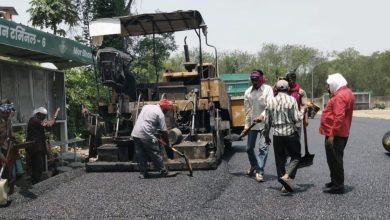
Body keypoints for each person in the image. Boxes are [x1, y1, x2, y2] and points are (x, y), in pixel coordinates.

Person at [263, 80, 305, 193]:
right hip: (290, 133)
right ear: (288, 89)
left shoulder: (270, 101)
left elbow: (267, 122)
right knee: (296, 156)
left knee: (280, 160)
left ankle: (284, 185)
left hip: (277, 135)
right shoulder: (291, 100)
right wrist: (304, 110)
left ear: (276, 89)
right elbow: (296, 118)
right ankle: (287, 176)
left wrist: (266, 136)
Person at [319, 73, 354, 194]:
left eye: (329, 85)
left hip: (336, 134)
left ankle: (338, 186)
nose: (327, 87)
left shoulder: (340, 96)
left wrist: (332, 134)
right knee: (334, 158)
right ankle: (335, 180)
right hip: (341, 132)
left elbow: (339, 116)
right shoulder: (346, 92)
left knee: (335, 159)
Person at [131, 98, 177, 179]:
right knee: (155, 153)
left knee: (141, 154)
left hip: (135, 133)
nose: (166, 112)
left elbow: (148, 121)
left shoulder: (147, 106)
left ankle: (143, 173)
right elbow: (164, 132)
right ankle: (164, 172)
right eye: (166, 110)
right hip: (146, 135)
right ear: (164, 108)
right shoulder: (160, 114)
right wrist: (168, 143)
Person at [241, 70, 274, 182]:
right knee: (249, 148)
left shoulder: (268, 89)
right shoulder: (247, 92)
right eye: (253, 80)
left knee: (263, 148)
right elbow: (247, 111)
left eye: (256, 80)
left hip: (265, 124)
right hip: (252, 125)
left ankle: (259, 171)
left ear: (261, 79)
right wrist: (246, 126)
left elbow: (270, 106)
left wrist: (262, 116)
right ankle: (254, 165)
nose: (254, 83)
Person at [26, 107, 56, 184]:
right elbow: (48, 125)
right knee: (38, 166)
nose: (44, 117)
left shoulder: (36, 120)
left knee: (37, 166)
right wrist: (54, 118)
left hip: (38, 147)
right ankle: (35, 183)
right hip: (35, 148)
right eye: (43, 115)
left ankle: (35, 182)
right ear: (38, 114)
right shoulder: (34, 120)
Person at [0, 100, 16, 192]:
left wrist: (12, 136)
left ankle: (7, 194)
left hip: (5, 147)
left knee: (7, 172)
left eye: (8, 113)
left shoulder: (8, 120)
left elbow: (9, 132)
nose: (7, 115)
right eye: (4, 113)